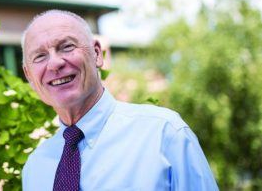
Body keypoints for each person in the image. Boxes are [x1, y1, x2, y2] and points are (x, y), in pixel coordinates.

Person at [21, 10, 218, 191]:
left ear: (97, 54)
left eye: (67, 47)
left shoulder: (164, 134)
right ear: (28, 75)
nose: (55, 63)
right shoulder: (35, 168)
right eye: (39, 56)